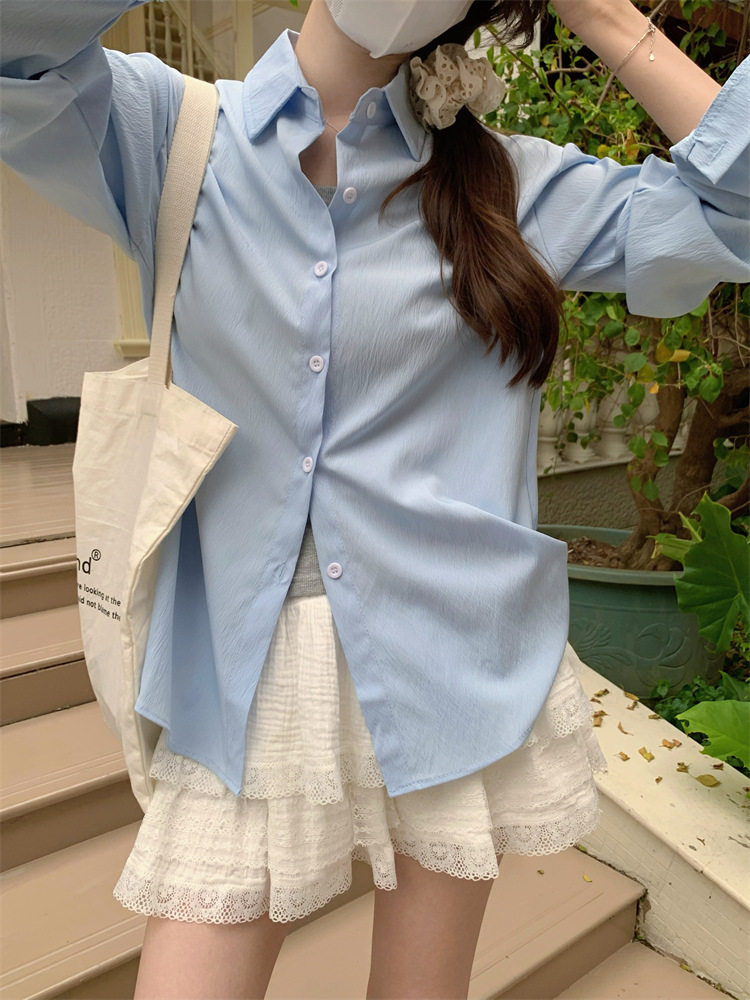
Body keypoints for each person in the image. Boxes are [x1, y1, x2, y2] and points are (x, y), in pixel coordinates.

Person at [1, 1, 747, 997]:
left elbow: (733, 212)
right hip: (242, 667)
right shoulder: (171, 136)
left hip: (456, 659)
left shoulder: (513, 186)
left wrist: (600, 12)